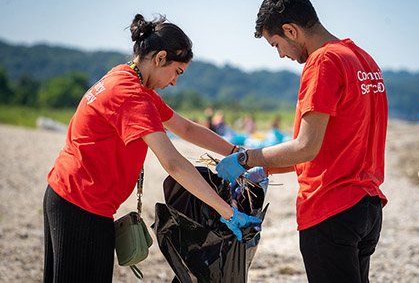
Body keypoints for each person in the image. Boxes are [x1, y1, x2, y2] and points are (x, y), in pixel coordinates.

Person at [43, 14, 261, 283]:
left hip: (71, 196)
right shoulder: (131, 95)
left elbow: (187, 129)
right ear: (159, 59)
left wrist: (237, 154)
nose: (174, 83)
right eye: (177, 72)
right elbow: (173, 163)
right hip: (80, 204)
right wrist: (227, 212)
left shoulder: (127, 79)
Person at [216, 0, 388, 282]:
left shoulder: (323, 62)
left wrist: (245, 159)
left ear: (291, 30)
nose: (281, 55)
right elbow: (325, 147)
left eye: (276, 44)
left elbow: (306, 147)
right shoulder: (363, 59)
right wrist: (264, 166)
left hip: (330, 208)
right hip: (366, 207)